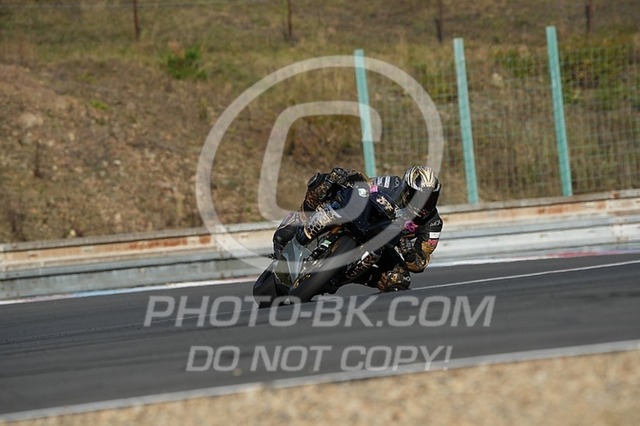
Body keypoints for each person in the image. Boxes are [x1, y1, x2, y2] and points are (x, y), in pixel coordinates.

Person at [271, 165, 443, 292]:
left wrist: (409, 253)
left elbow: (420, 263)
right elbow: (365, 185)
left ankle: (336, 277)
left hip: (384, 244)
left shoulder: (433, 224)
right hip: (364, 218)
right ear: (407, 189)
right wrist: (347, 177)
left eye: (430, 199)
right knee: (323, 183)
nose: (423, 204)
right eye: (419, 197)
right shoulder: (392, 184)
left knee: (398, 279)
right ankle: (296, 223)